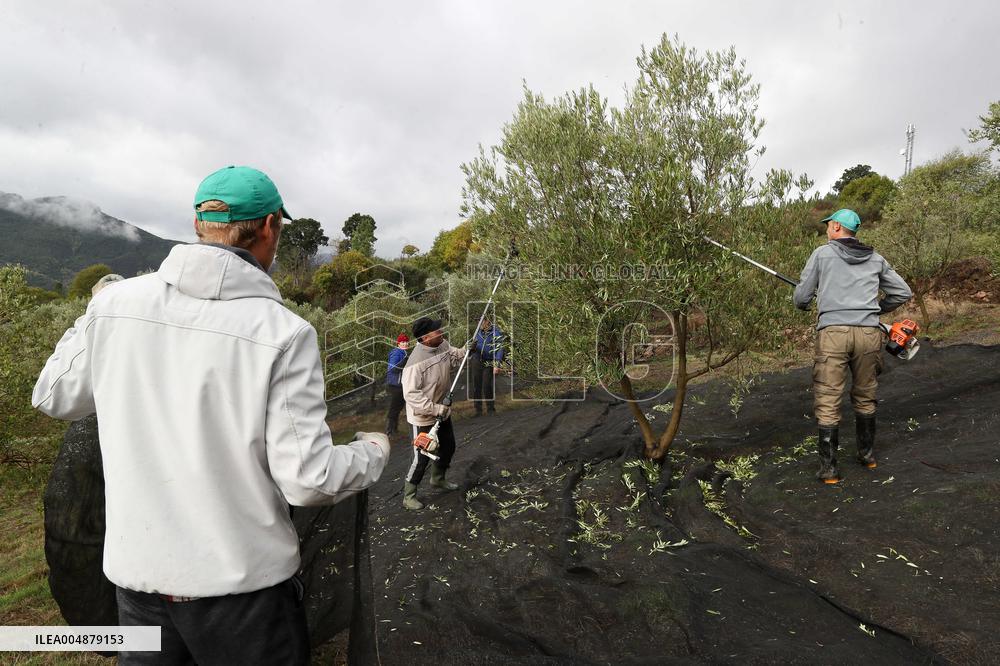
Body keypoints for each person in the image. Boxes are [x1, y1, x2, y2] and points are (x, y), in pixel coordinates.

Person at [32, 165, 390, 664]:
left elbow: (54, 396)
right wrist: (373, 452)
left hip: (138, 588)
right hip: (244, 597)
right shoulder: (283, 333)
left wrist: (91, 314)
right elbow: (309, 481)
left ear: (198, 225)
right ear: (268, 227)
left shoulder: (115, 307)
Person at [793, 208, 912, 484]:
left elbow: (801, 297)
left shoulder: (822, 254)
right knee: (866, 393)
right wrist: (875, 311)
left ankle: (830, 470)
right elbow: (903, 292)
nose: (826, 230)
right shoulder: (876, 258)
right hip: (869, 333)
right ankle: (867, 456)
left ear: (836, 227)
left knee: (828, 397)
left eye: (828, 225)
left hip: (833, 333)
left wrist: (808, 302)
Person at [401, 316, 466, 510]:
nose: (441, 332)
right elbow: (411, 395)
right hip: (423, 416)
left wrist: (465, 350)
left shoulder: (442, 345)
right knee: (422, 456)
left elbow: (454, 357)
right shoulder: (415, 363)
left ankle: (438, 479)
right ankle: (409, 495)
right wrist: (436, 409)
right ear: (425, 337)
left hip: (442, 410)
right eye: (437, 330)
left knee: (448, 446)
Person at [469, 316, 505, 416]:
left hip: (488, 362)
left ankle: (490, 409)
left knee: (487, 385)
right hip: (477, 361)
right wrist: (470, 349)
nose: (479, 324)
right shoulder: (477, 333)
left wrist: (497, 365)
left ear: (487, 321)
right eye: (478, 321)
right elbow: (472, 346)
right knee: (476, 386)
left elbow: (500, 348)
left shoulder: (495, 332)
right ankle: (478, 410)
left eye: (481, 321)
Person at [385, 333, 409, 436]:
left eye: (406, 341)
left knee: (398, 407)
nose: (405, 343)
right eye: (403, 342)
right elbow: (393, 369)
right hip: (395, 384)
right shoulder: (396, 353)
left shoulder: (404, 352)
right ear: (398, 343)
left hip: (400, 384)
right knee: (394, 407)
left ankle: (394, 430)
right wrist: (405, 361)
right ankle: (389, 431)